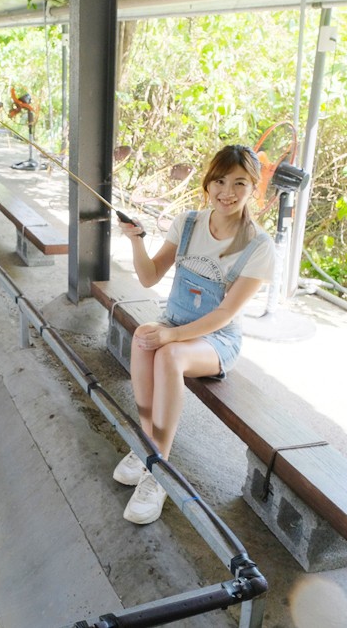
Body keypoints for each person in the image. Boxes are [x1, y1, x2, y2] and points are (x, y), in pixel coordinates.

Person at [114, 144, 275, 525]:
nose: (227, 191)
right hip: (174, 322)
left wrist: (172, 338)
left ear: (254, 188)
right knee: (143, 336)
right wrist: (136, 240)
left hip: (216, 340)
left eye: (240, 183)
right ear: (208, 183)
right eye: (220, 180)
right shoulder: (187, 223)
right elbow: (150, 276)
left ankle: (159, 471)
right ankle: (146, 442)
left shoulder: (259, 246)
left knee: (168, 353)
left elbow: (224, 313)